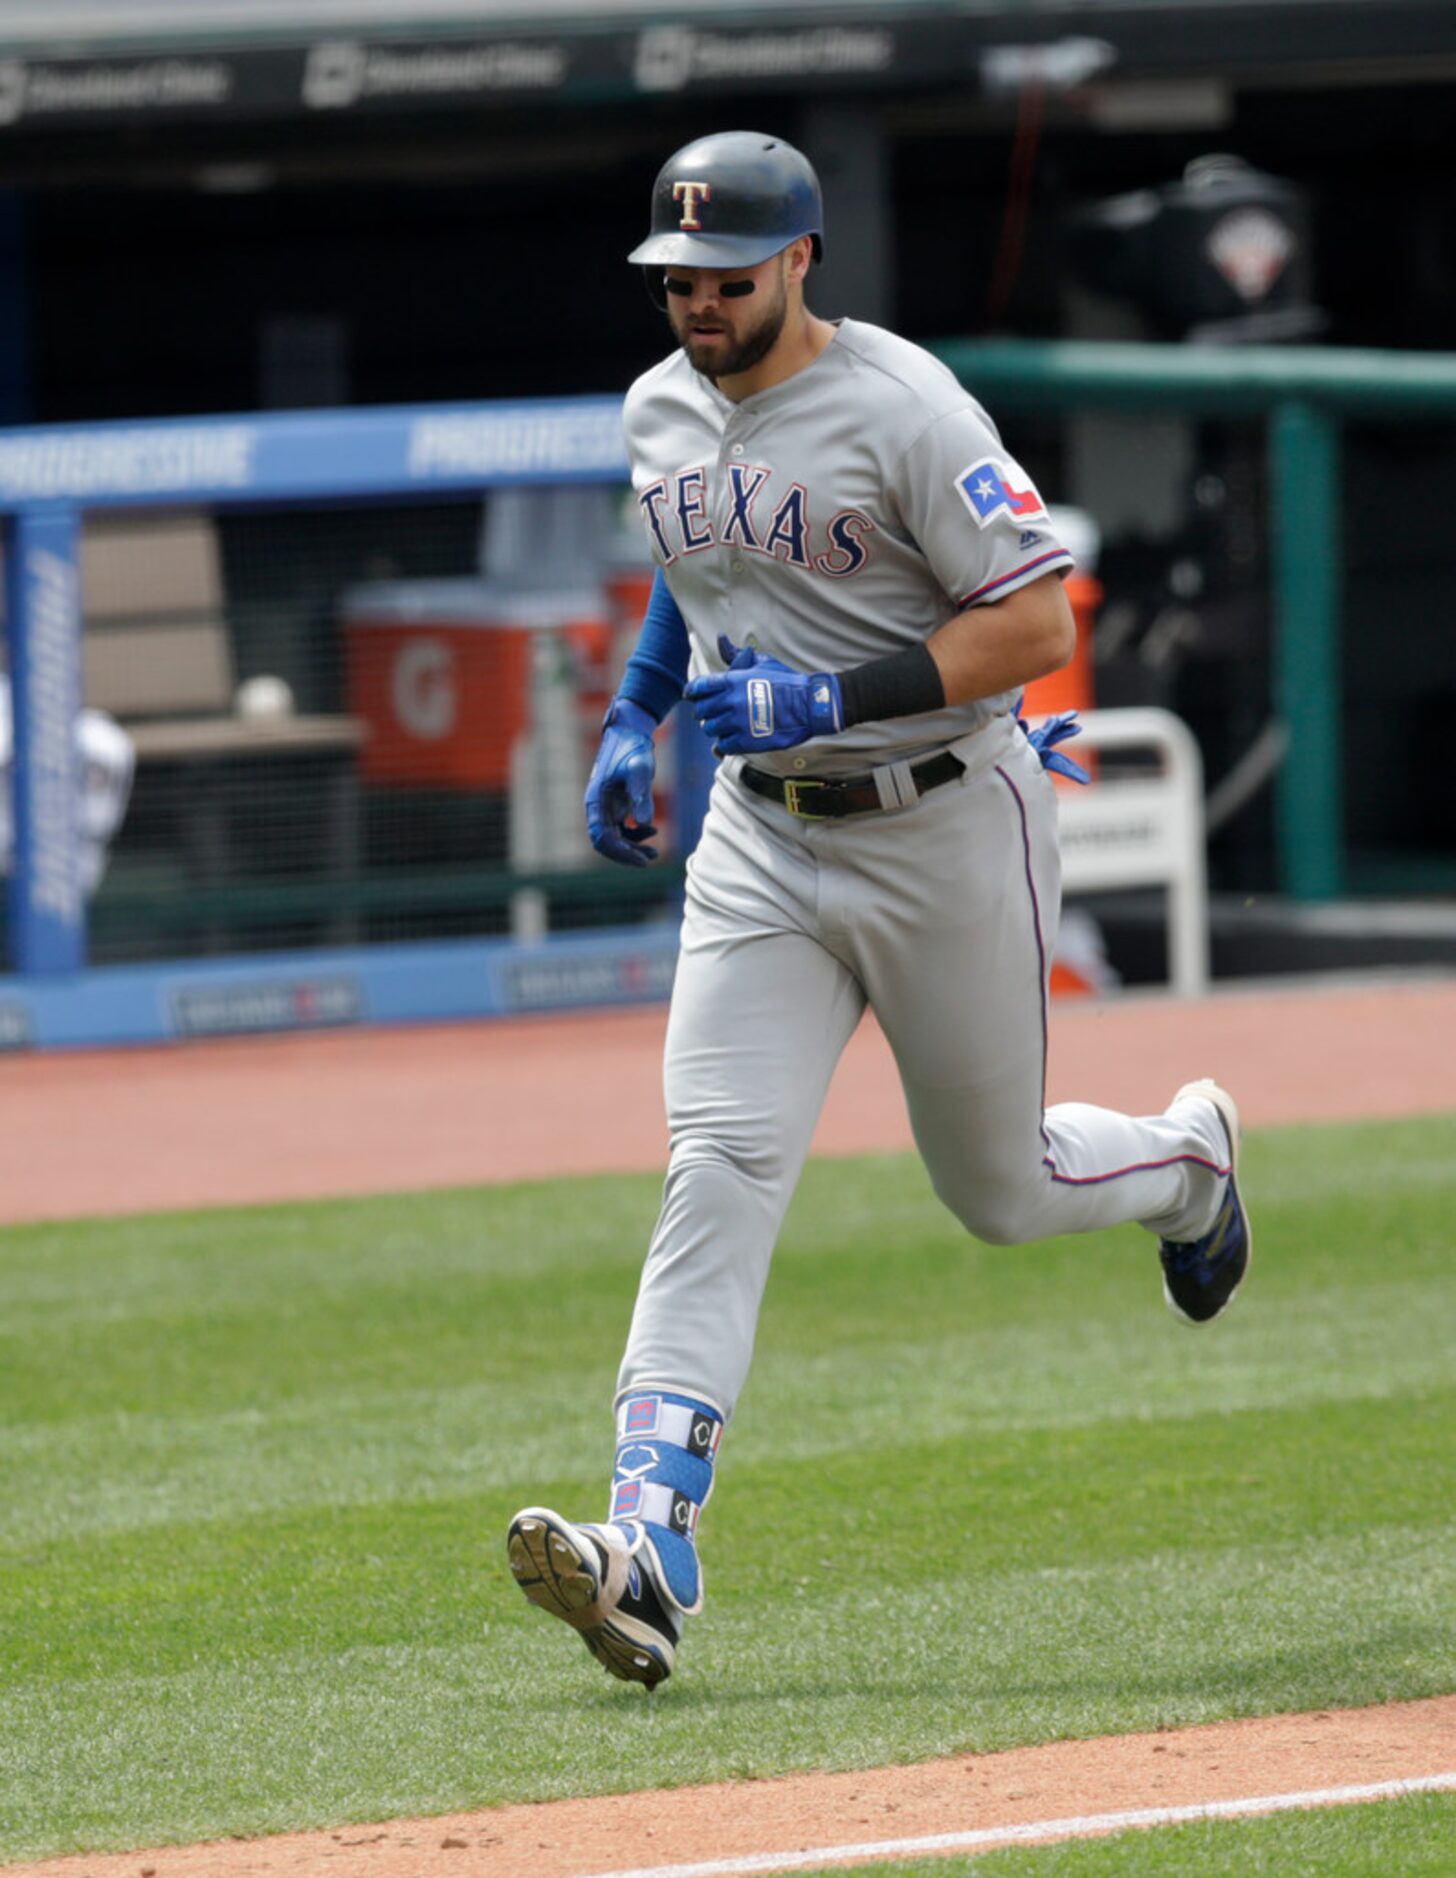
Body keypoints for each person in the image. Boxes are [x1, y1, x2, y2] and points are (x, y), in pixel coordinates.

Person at [506, 131, 1251, 1690]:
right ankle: (649, 1537)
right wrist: (638, 717)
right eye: (675, 279)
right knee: (717, 1162)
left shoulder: (908, 407)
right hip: (763, 849)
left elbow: (1035, 618)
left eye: (724, 277)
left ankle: (1190, 1160)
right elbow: (690, 558)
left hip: (940, 824)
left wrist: (830, 691)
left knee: (1002, 1185)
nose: (695, 303)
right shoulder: (659, 410)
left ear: (799, 262)